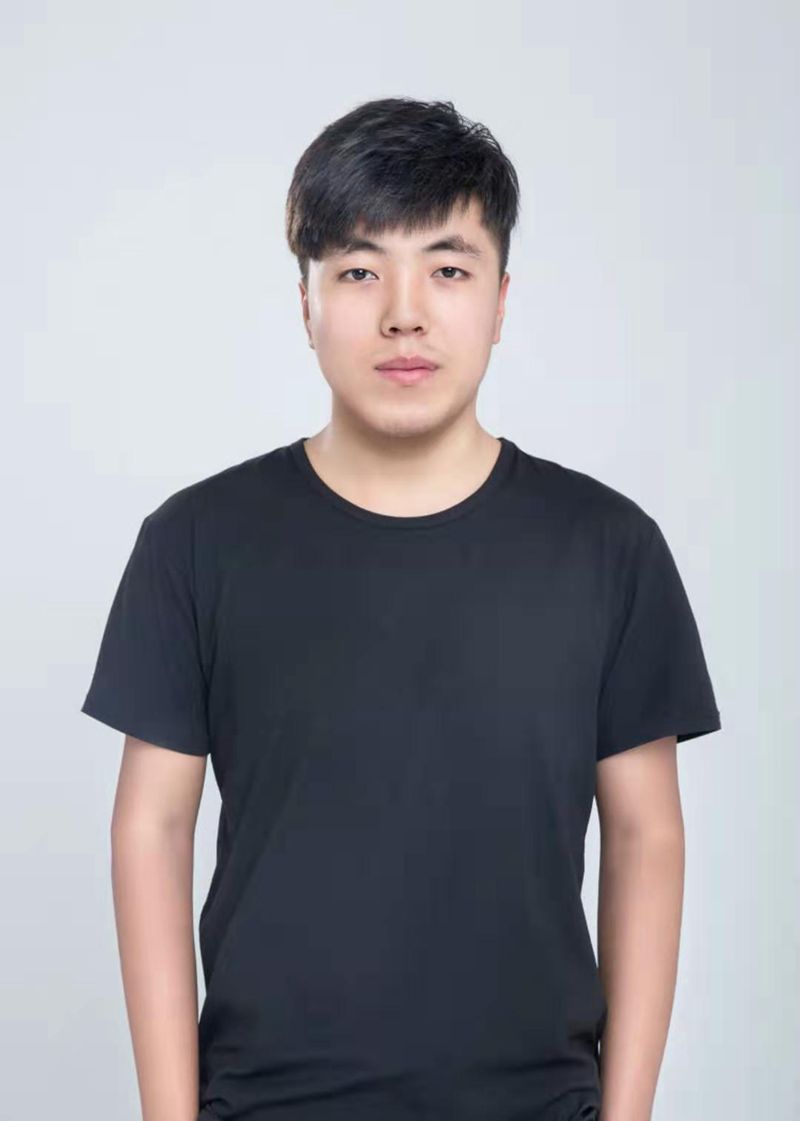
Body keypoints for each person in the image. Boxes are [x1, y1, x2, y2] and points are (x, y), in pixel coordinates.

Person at [80, 97, 721, 1121]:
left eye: (447, 268)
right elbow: (150, 829)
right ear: (305, 301)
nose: (404, 314)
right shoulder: (194, 542)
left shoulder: (608, 547)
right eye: (358, 270)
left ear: (501, 299)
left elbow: (647, 836)